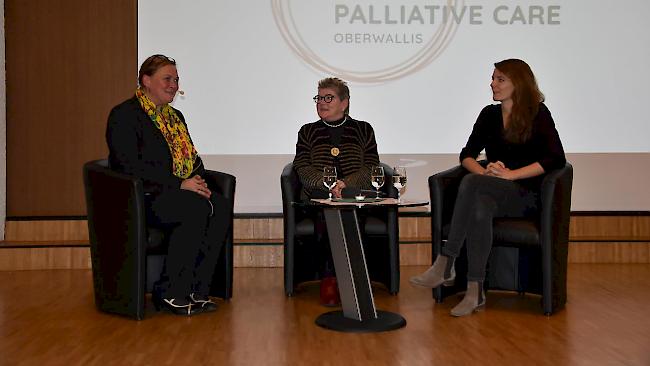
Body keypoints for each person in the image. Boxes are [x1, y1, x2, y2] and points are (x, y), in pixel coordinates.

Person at [410, 59, 566, 317]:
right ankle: (475, 290)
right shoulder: (489, 115)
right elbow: (467, 155)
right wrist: (486, 174)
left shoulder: (538, 113)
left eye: (500, 79)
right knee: (479, 206)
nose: (493, 84)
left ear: (519, 83)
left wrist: (510, 175)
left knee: (472, 185)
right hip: (492, 191)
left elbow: (555, 158)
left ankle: (446, 262)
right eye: (493, 78)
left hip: (526, 194)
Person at [106, 54, 230, 316]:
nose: (173, 84)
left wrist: (197, 180)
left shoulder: (175, 117)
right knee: (193, 207)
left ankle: (197, 290)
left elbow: (190, 157)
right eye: (167, 79)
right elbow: (128, 165)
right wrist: (180, 184)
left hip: (175, 191)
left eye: (176, 79)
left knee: (218, 204)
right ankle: (171, 292)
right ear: (146, 80)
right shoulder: (125, 115)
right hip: (143, 197)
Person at [293, 77, 380, 305]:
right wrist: (329, 184)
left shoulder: (363, 129)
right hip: (318, 197)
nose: (321, 102)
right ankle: (330, 280)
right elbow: (302, 167)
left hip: (354, 194)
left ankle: (356, 280)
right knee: (327, 214)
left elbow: (372, 167)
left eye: (328, 97)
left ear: (344, 102)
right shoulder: (307, 131)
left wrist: (346, 184)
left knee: (352, 211)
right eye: (319, 98)